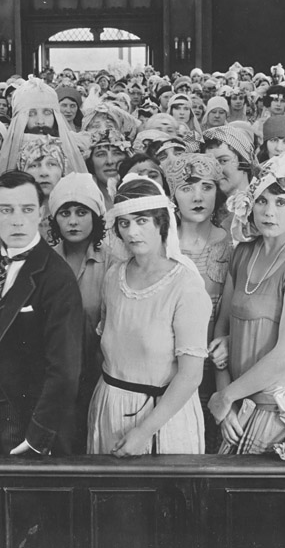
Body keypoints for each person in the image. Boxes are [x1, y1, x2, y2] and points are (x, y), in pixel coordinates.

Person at [210, 153, 285, 454]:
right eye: (261, 201)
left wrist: (226, 397)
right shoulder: (243, 253)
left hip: (274, 410)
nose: (269, 212)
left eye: (281, 202)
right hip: (235, 407)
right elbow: (222, 333)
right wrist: (226, 399)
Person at [87, 176, 211, 455]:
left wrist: (143, 432)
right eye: (125, 222)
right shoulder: (113, 277)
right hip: (110, 407)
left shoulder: (186, 286)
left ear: (161, 223)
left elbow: (190, 376)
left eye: (142, 220)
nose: (132, 231)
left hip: (160, 419)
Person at [0, 170, 83, 455]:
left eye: (26, 209)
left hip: (30, 426)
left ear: (41, 213)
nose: (17, 220)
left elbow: (65, 371)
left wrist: (38, 437)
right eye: (6, 210)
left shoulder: (56, 276)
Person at [165, 154, 233, 452]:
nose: (197, 196)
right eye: (187, 186)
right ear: (172, 194)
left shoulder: (233, 245)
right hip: (168, 372)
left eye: (207, 187)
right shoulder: (162, 246)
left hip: (218, 373)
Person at [47, 173, 111, 452]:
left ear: (95, 217)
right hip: (55, 379)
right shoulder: (44, 262)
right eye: (65, 213)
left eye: (82, 212)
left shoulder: (113, 263)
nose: (73, 221)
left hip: (99, 375)